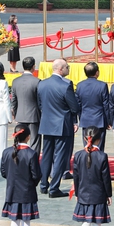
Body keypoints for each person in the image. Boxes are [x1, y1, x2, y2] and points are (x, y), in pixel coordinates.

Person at [38, 58, 80, 197]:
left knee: (47, 155)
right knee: (60, 157)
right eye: (67, 66)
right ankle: (54, 188)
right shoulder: (66, 85)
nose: (68, 69)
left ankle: (44, 184)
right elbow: (74, 107)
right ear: (61, 69)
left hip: (47, 123)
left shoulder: (42, 84)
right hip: (62, 125)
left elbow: (40, 104)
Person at [72, 126, 112, 226]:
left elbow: (75, 177)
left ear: (84, 138)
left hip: (83, 194)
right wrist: (109, 194)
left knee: (85, 223)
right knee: (96, 224)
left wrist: (77, 192)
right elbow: (106, 178)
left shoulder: (78, 155)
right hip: (98, 194)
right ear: (99, 139)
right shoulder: (102, 156)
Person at [1, 124, 41, 226]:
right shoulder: (31, 154)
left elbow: (3, 172)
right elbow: (36, 175)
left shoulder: (7, 152)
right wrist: (31, 184)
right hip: (27, 192)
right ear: (28, 137)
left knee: (14, 221)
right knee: (26, 222)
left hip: (12, 192)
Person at [76, 62, 111, 152]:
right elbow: (106, 105)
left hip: (85, 119)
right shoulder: (102, 85)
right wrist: (108, 121)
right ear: (97, 72)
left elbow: (78, 104)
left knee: (87, 146)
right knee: (99, 148)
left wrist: (81, 117)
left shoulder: (80, 85)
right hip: (99, 120)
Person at [11, 57, 41, 152]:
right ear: (33, 67)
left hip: (20, 115)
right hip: (34, 116)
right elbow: (40, 101)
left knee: (20, 140)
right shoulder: (37, 81)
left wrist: (15, 114)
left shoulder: (15, 81)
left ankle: (21, 159)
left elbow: (14, 101)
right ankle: (34, 161)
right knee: (35, 141)